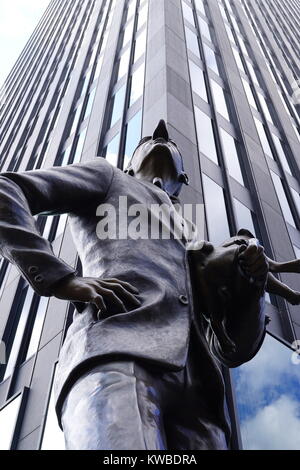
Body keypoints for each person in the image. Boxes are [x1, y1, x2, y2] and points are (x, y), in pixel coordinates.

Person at [0, 120, 269, 450]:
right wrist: (61, 279)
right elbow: (7, 190)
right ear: (129, 164)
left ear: (183, 180)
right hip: (115, 356)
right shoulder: (107, 177)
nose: (161, 133)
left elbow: (231, 349)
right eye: (148, 139)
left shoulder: (195, 239)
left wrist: (254, 288)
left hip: (200, 404)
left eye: (171, 142)